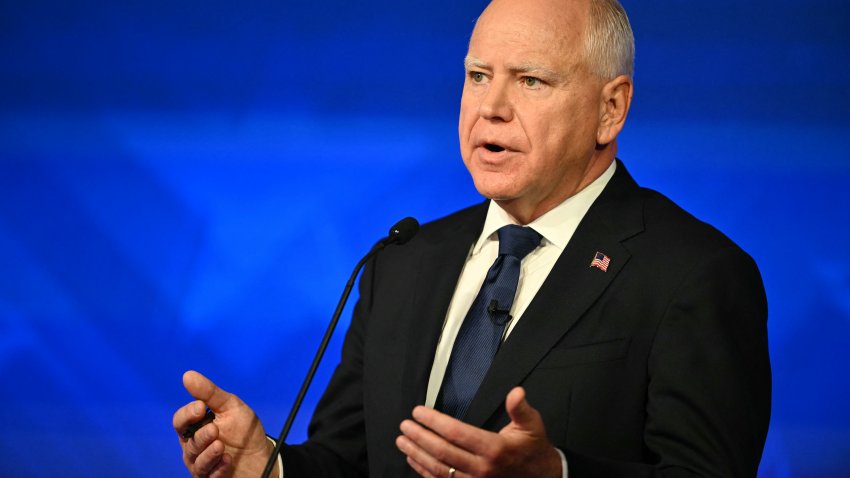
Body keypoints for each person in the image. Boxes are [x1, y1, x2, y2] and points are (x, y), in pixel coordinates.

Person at [173, 0, 771, 476]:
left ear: (610, 109)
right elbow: (351, 463)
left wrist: (557, 475)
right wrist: (267, 468)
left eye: (531, 81)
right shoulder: (402, 263)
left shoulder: (695, 274)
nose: (491, 107)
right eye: (478, 75)